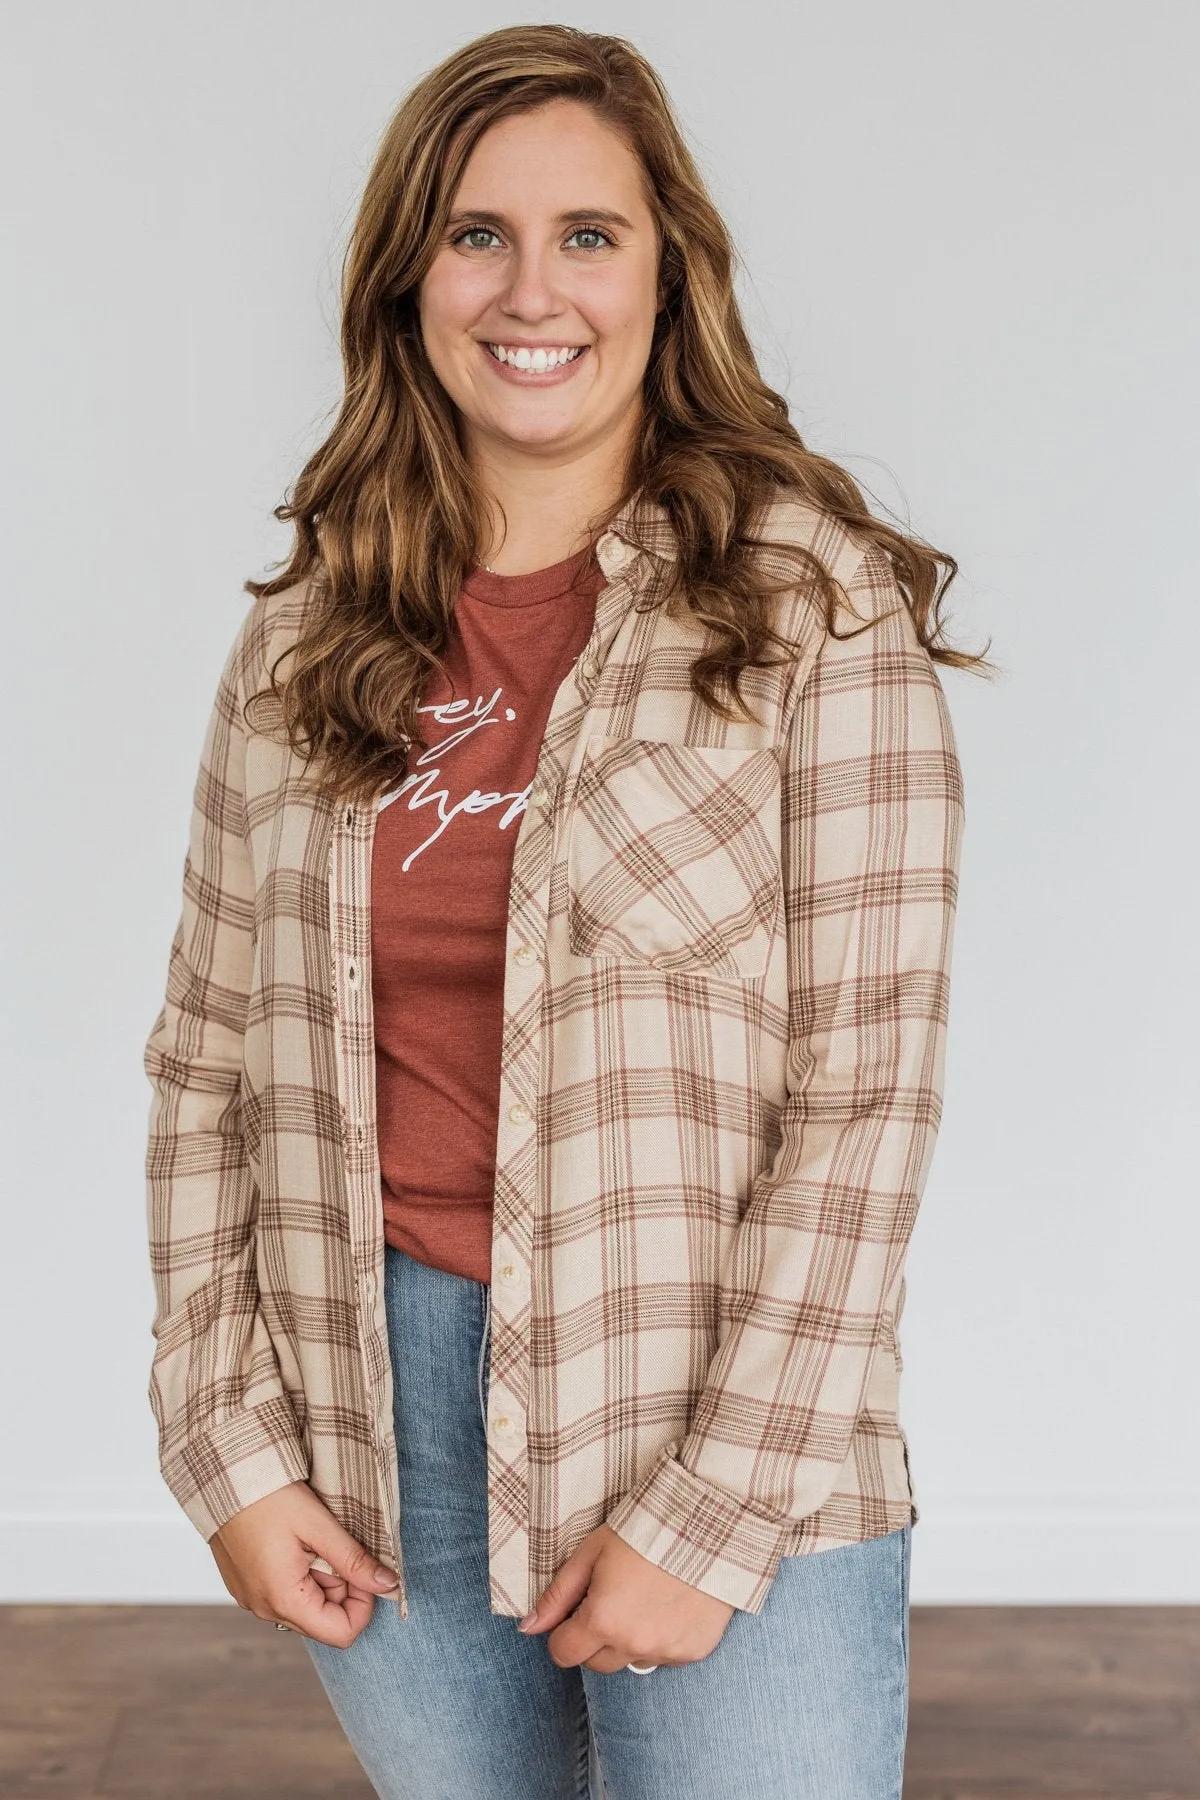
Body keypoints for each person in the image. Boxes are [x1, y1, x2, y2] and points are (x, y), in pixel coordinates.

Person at [143, 23, 988, 1800]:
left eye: (590, 234)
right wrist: (228, 1447)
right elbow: (206, 1065)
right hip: (377, 1427)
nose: (534, 290)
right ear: (409, 277)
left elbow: (867, 1102)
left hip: (719, 1406)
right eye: (477, 234)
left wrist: (717, 1503)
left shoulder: (810, 609)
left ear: (670, 272)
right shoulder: (302, 641)